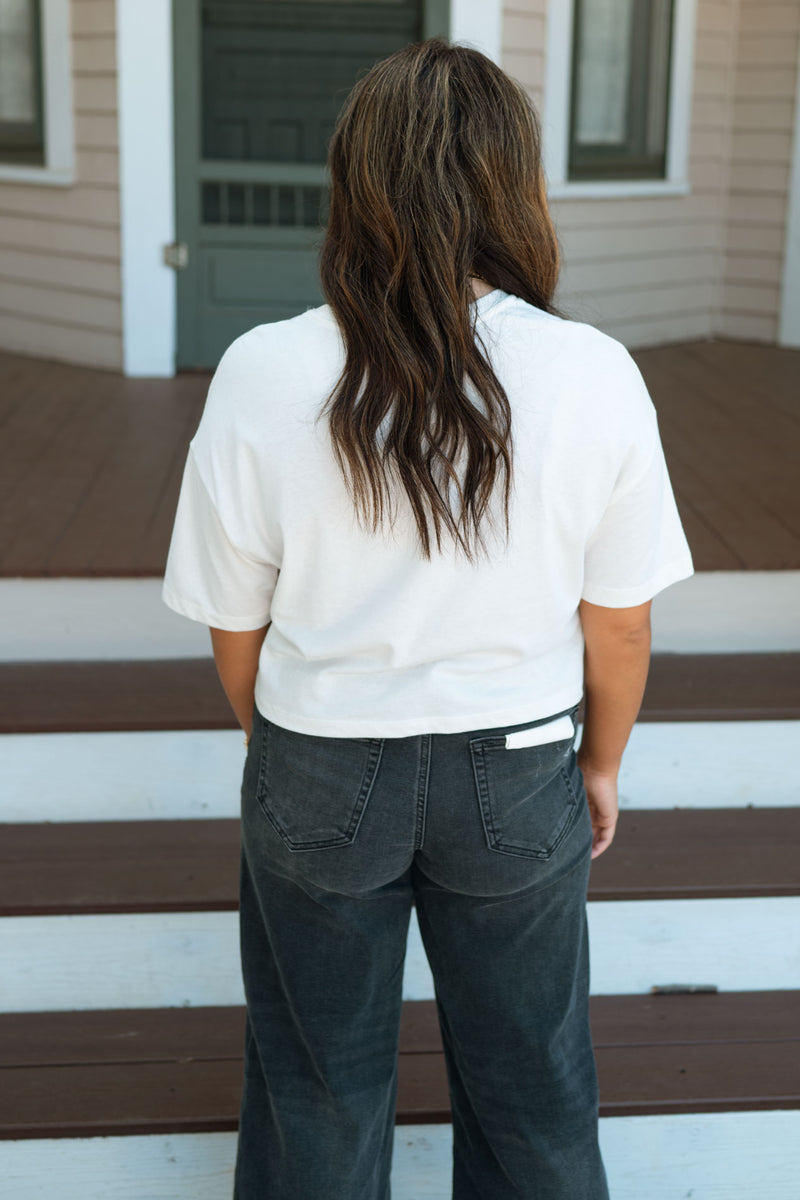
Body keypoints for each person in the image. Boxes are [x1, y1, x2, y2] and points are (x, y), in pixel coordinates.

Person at [162, 37, 693, 1200]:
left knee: (313, 1093)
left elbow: (232, 622)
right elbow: (618, 627)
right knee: (533, 1096)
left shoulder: (261, 369)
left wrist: (282, 740)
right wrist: (598, 764)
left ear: (354, 185)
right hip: (516, 774)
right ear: (513, 184)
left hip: (314, 762)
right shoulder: (592, 373)